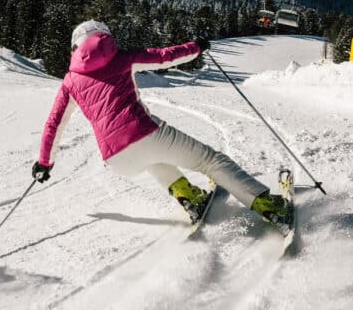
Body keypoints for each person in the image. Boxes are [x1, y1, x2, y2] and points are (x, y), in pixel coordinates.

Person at [33, 20, 292, 224]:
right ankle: (267, 205)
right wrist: (197, 47)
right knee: (210, 161)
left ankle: (189, 197)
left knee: (154, 159)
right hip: (143, 132)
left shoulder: (70, 81)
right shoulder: (122, 58)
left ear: (76, 47)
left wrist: (45, 163)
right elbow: (164, 56)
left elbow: (54, 124)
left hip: (115, 158)